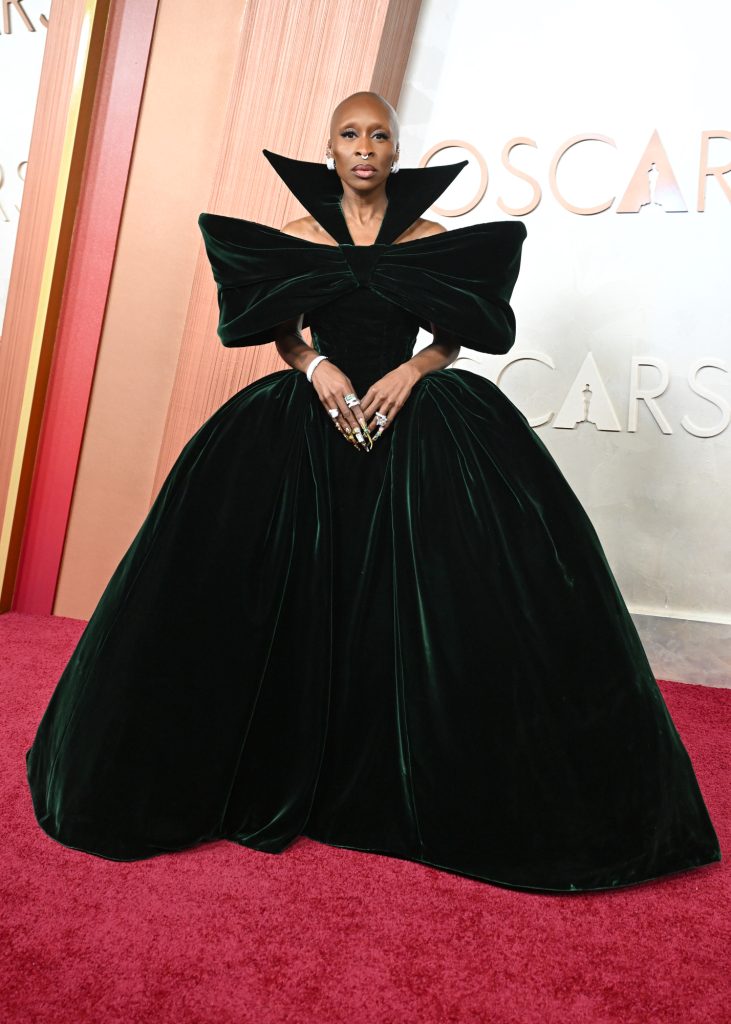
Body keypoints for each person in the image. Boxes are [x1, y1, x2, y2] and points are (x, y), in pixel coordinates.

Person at [25, 92, 721, 894]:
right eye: (351, 135)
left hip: (412, 418)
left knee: (460, 594)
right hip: (308, 420)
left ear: (395, 150)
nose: (365, 147)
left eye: (379, 134)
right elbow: (283, 332)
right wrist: (315, 368)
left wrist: (413, 372)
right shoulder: (296, 238)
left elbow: (456, 331)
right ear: (331, 152)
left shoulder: (427, 238)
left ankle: (419, 778)